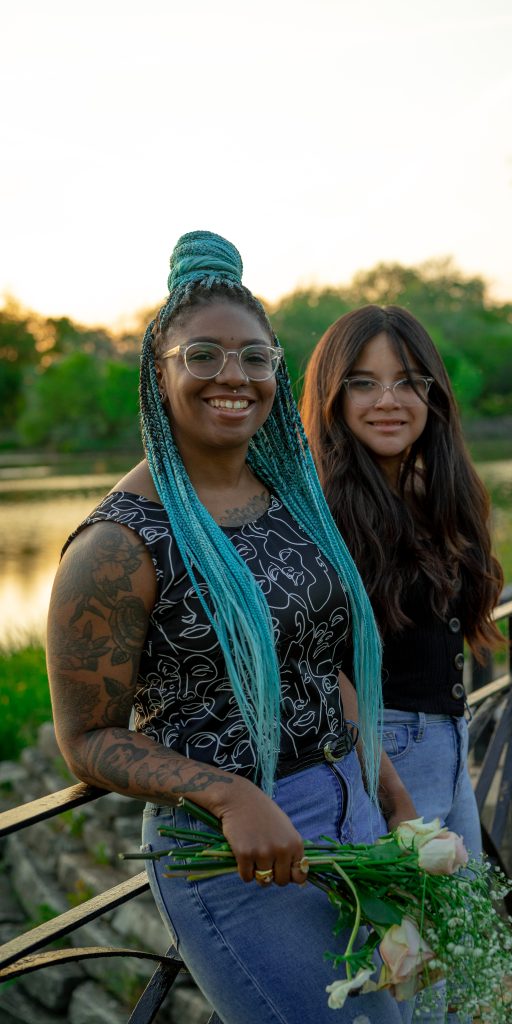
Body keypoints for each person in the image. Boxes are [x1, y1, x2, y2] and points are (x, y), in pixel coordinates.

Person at [46, 232, 415, 1024]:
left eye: (255, 358)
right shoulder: (119, 544)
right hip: (238, 853)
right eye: (203, 355)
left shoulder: (291, 498)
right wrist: (231, 795)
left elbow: (315, 659)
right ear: (158, 370)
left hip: (349, 807)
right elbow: (86, 739)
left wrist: (385, 785)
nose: (233, 378)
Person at [301, 305, 505, 1023]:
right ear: (331, 396)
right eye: (364, 384)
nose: (390, 400)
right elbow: (323, 663)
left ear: (433, 396)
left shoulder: (425, 495)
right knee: (417, 984)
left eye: (409, 382)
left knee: (463, 963)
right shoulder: (320, 508)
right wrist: (392, 798)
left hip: (448, 747)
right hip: (387, 759)